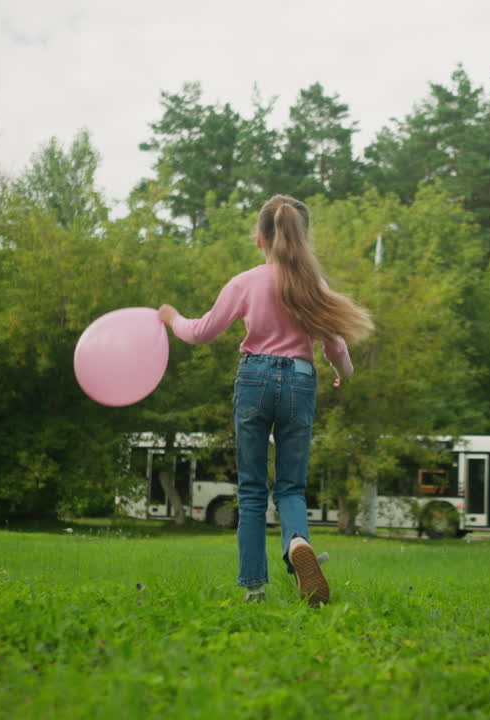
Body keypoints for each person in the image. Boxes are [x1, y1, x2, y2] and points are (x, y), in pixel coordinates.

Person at [158, 194, 372, 606]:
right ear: (302, 237)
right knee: (291, 486)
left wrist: (172, 319)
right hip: (300, 382)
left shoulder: (245, 282)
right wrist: (344, 374)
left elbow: (202, 331)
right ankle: (296, 544)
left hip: (254, 379)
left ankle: (254, 588)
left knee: (253, 489)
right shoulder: (315, 286)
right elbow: (335, 345)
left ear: (260, 239)